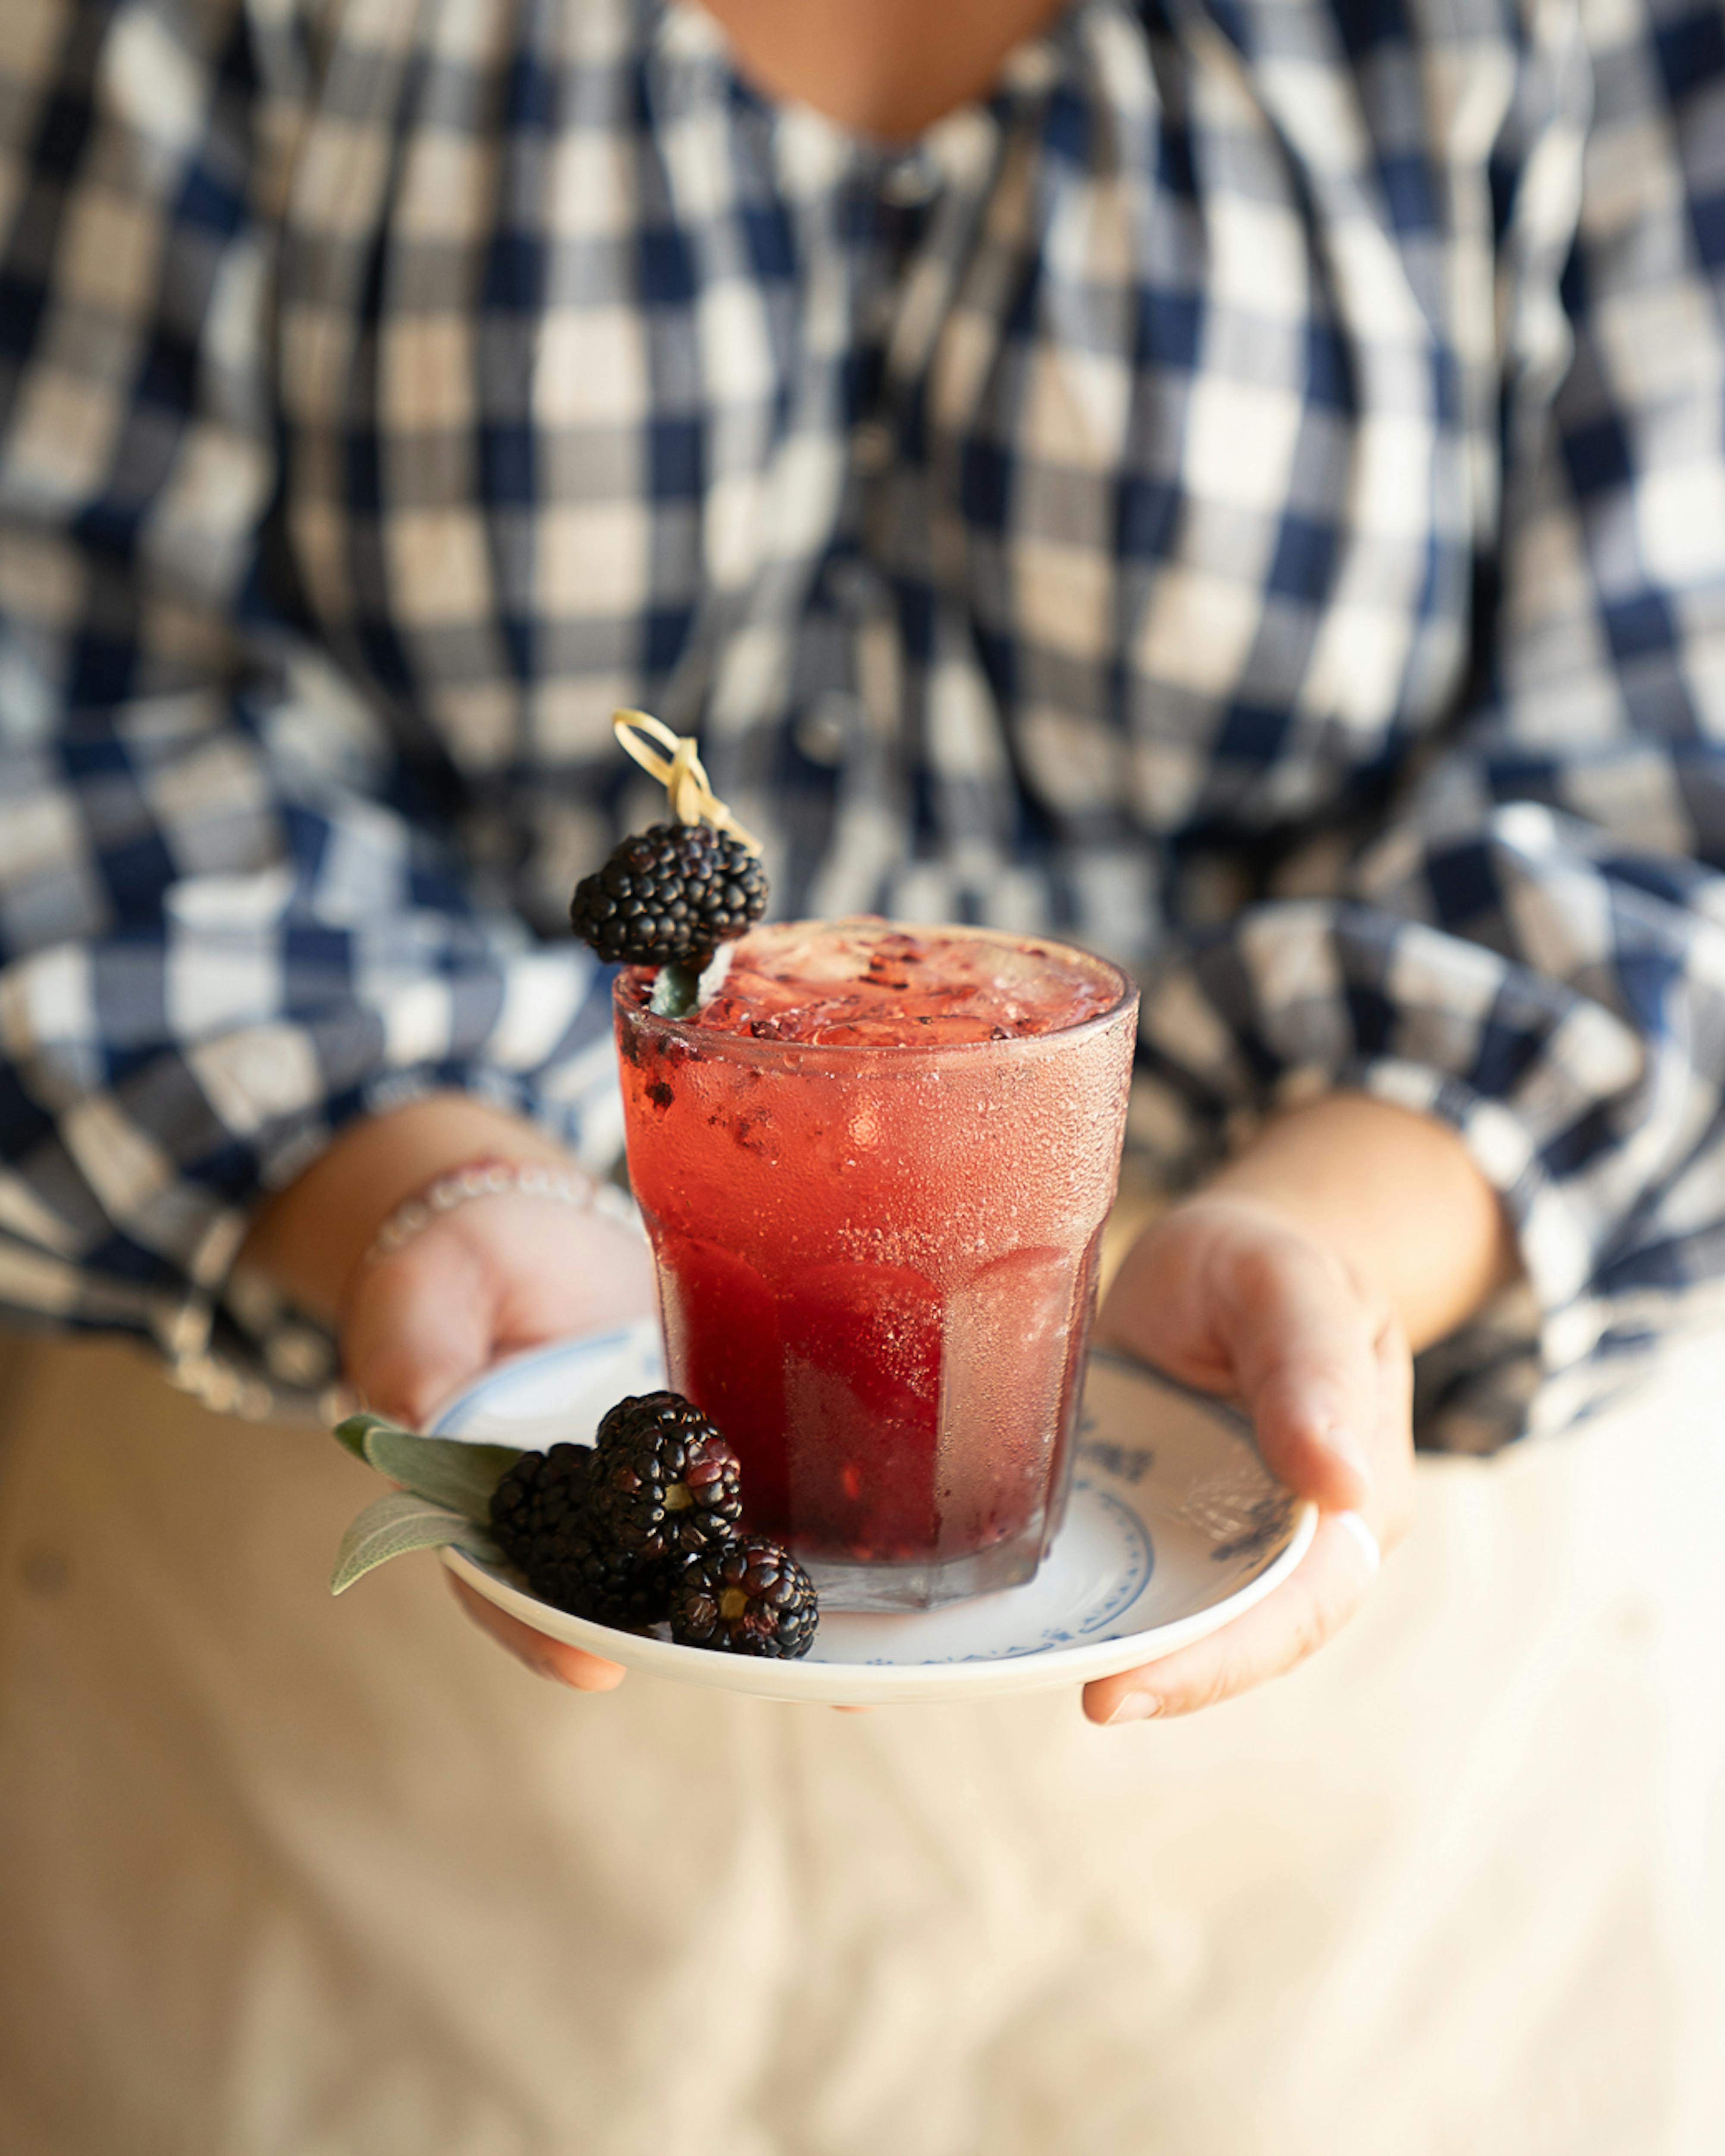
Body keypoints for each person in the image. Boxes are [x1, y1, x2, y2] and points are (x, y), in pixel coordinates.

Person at [1, 0, 1722, 2145]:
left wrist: (1332, 1238)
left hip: (1335, 1858)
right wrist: (424, 1190)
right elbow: (54, 699)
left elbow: (1669, 800)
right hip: (362, 1818)